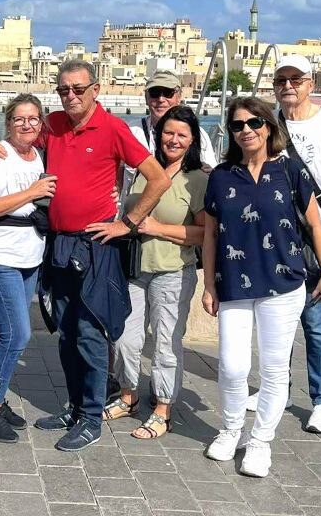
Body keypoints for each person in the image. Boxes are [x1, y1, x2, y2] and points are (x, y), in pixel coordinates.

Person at [33, 60, 170, 452]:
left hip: (95, 247)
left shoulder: (113, 128)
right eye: (63, 90)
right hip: (58, 244)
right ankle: (74, 407)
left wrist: (127, 221)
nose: (70, 96)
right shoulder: (54, 124)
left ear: (96, 89)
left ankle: (92, 417)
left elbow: (157, 178)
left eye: (78, 89)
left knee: (91, 334)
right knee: (65, 331)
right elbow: (21, 138)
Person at [201, 97, 321, 478]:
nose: (246, 130)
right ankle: (230, 430)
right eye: (238, 125)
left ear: (269, 127)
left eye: (254, 123)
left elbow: (314, 225)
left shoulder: (291, 170)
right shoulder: (222, 176)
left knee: (274, 369)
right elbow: (210, 235)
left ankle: (260, 442)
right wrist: (208, 284)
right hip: (234, 285)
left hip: (284, 282)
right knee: (231, 366)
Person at [263, 54, 321, 435]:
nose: (288, 86)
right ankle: (278, 389)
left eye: (296, 79)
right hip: (275, 239)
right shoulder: (267, 123)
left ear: (310, 83)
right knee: (275, 319)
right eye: (281, 80)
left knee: (315, 324)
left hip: (318, 239)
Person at [107, 104, 209, 439]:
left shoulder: (197, 180)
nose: (174, 140)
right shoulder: (143, 171)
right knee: (124, 339)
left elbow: (203, 234)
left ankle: (163, 409)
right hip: (135, 268)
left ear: (192, 140)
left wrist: (156, 227)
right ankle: (129, 396)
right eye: (168, 132)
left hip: (172, 272)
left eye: (182, 134)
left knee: (166, 344)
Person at [0, 94, 53, 443]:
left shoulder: (40, 155)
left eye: (34, 119)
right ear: (8, 122)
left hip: (31, 256)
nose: (27, 125)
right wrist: (31, 192)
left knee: (11, 333)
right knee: (17, 334)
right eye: (20, 119)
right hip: (0, 255)